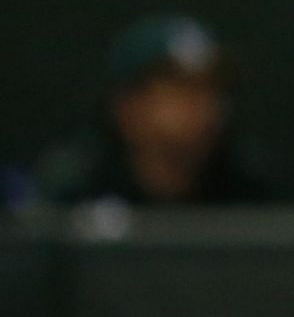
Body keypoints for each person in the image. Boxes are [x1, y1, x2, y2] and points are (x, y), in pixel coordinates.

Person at [35, 15, 269, 207]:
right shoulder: (75, 192)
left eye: (214, 89)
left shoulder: (250, 194)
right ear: (128, 106)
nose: (205, 105)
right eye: (183, 89)